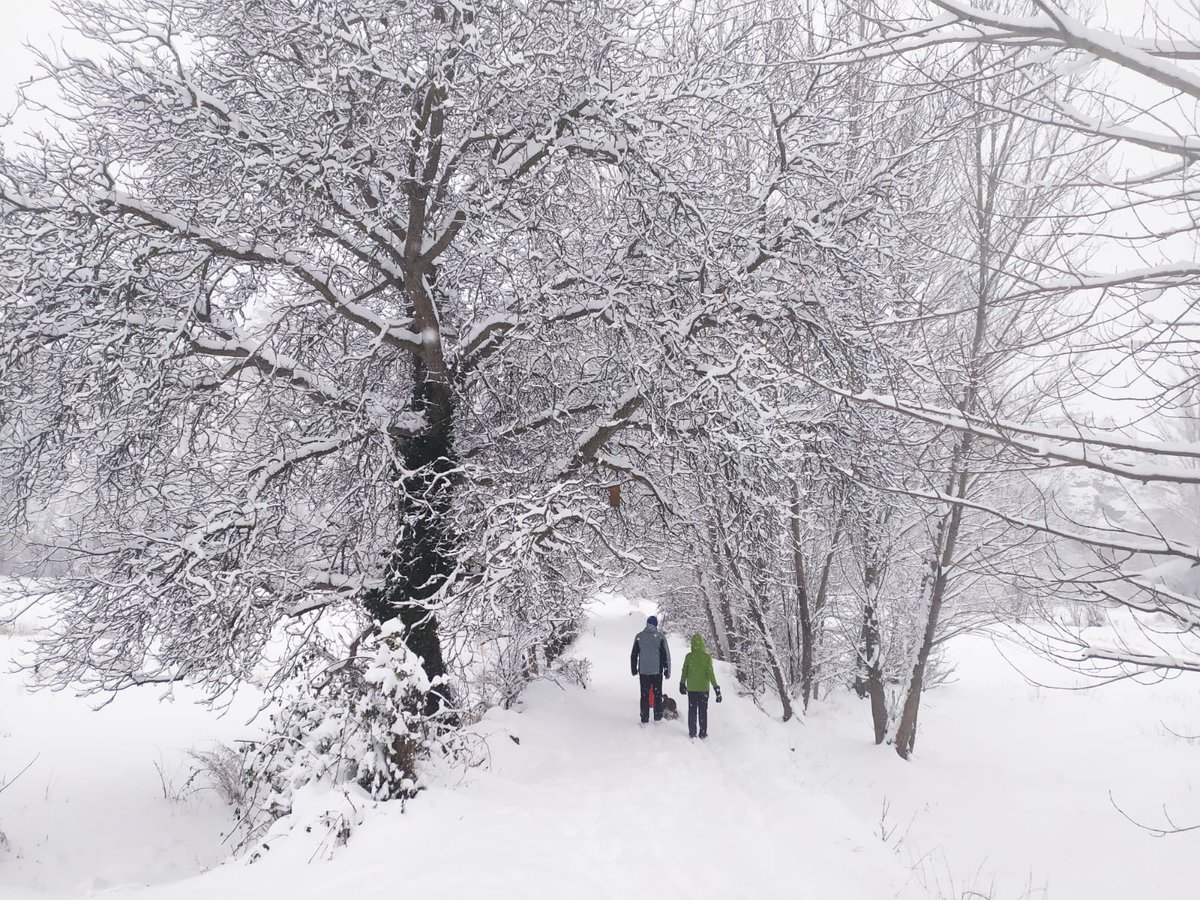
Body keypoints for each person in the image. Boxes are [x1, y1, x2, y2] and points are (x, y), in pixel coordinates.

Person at [679, 634, 722, 740]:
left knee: (692, 711)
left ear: (692, 644)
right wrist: (716, 688)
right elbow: (710, 674)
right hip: (704, 689)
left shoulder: (689, 657)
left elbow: (684, 671)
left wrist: (682, 683)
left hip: (692, 689)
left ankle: (692, 733)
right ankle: (703, 733)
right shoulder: (707, 657)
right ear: (703, 643)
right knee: (703, 712)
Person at [630, 615, 671, 724]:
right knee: (658, 695)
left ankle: (644, 719)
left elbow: (634, 654)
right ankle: (657, 718)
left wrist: (634, 669)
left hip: (643, 671)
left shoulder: (639, 636)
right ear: (656, 625)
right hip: (657, 671)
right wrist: (667, 670)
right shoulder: (660, 637)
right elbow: (665, 655)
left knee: (644, 695)